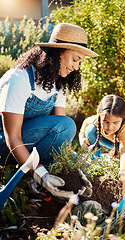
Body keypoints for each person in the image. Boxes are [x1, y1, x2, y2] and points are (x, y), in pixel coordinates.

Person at [0, 23, 98, 199]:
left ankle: (54, 185)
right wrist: (41, 174)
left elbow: (61, 140)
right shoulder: (19, 79)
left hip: (25, 146)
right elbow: (12, 138)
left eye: (79, 62)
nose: (76, 67)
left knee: (71, 142)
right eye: (75, 59)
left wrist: (74, 169)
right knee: (66, 125)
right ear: (58, 52)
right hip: (5, 145)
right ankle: (34, 180)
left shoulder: (57, 85)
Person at [79, 94, 125, 194]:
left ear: (123, 119)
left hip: (124, 144)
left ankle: (117, 164)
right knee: (90, 130)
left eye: (115, 123)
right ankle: (96, 164)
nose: (109, 127)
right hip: (106, 140)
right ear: (99, 113)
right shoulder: (96, 119)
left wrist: (124, 174)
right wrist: (82, 138)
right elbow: (86, 122)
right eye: (106, 122)